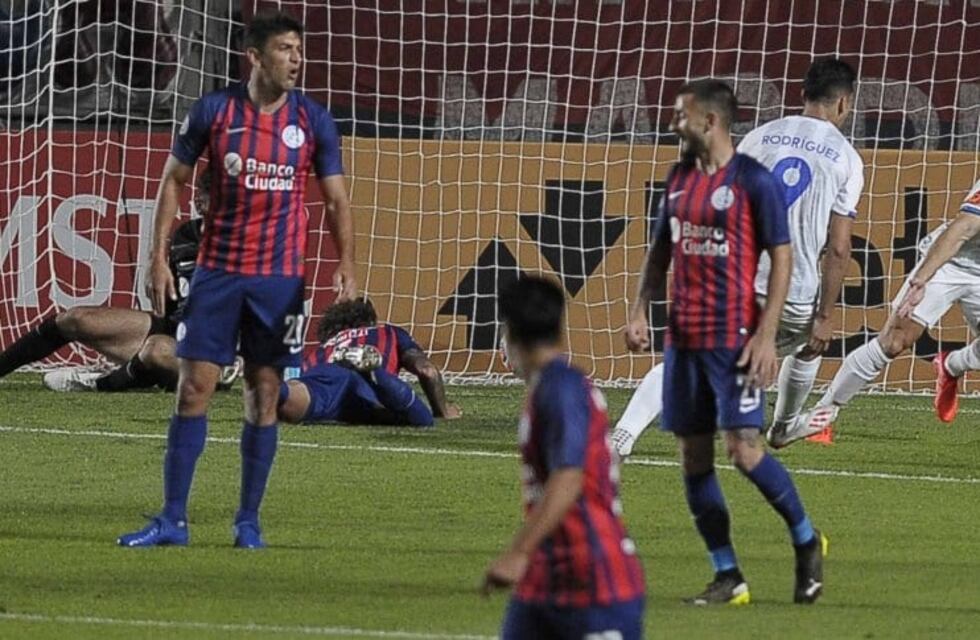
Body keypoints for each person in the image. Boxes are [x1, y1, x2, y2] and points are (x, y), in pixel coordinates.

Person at [118, 10, 356, 549]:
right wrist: (157, 257)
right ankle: (172, 520)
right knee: (193, 389)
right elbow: (173, 181)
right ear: (254, 56)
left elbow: (337, 200)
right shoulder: (215, 111)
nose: (296, 59)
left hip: (278, 282)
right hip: (218, 276)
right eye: (285, 49)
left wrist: (347, 262)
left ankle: (248, 521)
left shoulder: (313, 120)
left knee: (264, 394)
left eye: (299, 50)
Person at [625, 79, 826, 605]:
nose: (673, 123)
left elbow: (782, 257)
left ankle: (806, 540)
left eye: (680, 114)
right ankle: (727, 574)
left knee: (744, 452)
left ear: (710, 121)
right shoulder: (677, 178)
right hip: (683, 341)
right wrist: (639, 309)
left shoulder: (753, 181)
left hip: (733, 339)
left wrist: (766, 335)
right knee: (693, 458)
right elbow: (659, 251)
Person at [612, 58, 862, 456]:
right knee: (809, 345)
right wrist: (826, 315)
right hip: (793, 293)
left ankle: (623, 435)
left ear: (802, 94)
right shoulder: (847, 158)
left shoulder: (759, 137)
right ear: (845, 103)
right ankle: (783, 426)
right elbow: (839, 247)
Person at [483, 275, 645, 639]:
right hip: (546, 575)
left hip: (594, 579)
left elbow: (569, 476)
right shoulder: (552, 385)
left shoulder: (561, 389)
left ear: (511, 334)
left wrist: (518, 552)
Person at [784, 180, 980, 442]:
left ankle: (951, 365)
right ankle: (823, 413)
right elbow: (963, 228)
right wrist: (921, 279)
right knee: (894, 341)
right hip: (950, 263)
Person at [0, 172, 214, 392]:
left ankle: (99, 383)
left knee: (156, 350)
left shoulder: (238, 247)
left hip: (213, 351)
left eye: (209, 192)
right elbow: (173, 305)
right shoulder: (186, 236)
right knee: (76, 319)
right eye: (200, 191)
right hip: (174, 335)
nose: (199, 198)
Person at [278, 298, 461, 427]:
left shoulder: (321, 349)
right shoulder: (387, 332)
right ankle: (373, 371)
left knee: (289, 398)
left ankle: (272, 383)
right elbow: (427, 371)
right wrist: (443, 411)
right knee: (422, 419)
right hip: (368, 393)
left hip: (325, 377)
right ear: (370, 321)